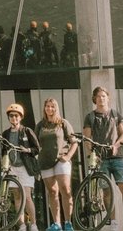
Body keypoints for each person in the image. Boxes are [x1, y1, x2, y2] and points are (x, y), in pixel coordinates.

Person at [83, 87, 123, 231]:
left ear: (108, 98)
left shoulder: (115, 114)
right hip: (101, 159)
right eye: (98, 96)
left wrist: (116, 145)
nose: (101, 99)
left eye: (104, 96)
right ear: (95, 99)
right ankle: (113, 223)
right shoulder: (90, 117)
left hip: (117, 157)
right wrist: (91, 155)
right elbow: (87, 138)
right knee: (106, 191)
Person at [37, 98, 76, 231]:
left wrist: (68, 156)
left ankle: (68, 223)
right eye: (47, 106)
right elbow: (35, 144)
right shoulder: (40, 125)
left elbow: (74, 142)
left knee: (65, 189)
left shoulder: (63, 123)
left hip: (61, 160)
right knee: (52, 192)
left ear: (56, 108)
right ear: (44, 108)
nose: (49, 109)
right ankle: (57, 224)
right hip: (45, 162)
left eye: (52, 106)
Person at [2, 103, 40, 231]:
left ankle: (34, 224)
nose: (14, 118)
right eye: (11, 116)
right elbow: (3, 151)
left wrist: (27, 150)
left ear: (20, 117)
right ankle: (22, 225)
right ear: (9, 118)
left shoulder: (26, 131)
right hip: (12, 167)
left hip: (25, 167)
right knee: (17, 196)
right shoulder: (5, 133)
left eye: (16, 116)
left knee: (27, 196)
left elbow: (37, 148)